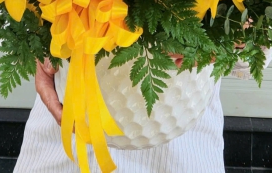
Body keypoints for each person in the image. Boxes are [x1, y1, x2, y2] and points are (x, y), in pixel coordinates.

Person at [13, 58, 227, 172]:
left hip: (179, 136)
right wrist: (36, 48)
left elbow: (244, 43)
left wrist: (236, 34)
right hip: (62, 134)